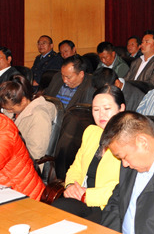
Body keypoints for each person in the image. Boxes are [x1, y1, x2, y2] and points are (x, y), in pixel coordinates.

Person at [51, 86, 125, 222]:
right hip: (82, 198)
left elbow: (122, 188)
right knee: (56, 210)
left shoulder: (128, 140)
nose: (101, 115)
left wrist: (86, 195)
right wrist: (71, 186)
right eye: (96, 110)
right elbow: (76, 167)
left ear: (121, 109)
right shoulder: (91, 132)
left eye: (107, 109)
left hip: (108, 205)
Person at [0, 75, 57, 161]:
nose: (8, 111)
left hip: (25, 162)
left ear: (23, 100)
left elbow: (35, 154)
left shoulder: (39, 116)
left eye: (11, 109)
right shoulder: (12, 110)